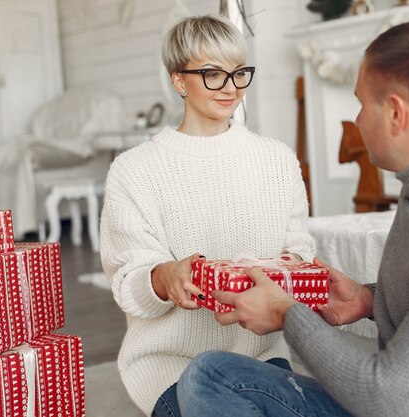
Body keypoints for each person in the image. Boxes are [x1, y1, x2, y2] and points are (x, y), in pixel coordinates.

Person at [176, 19, 409, 417]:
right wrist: (369, 299)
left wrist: (287, 314)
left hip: (404, 404)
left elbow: (390, 400)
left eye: (361, 104)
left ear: (395, 113)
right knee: (211, 374)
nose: (356, 121)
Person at [99, 14, 315, 417]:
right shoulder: (134, 170)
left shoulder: (277, 159)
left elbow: (298, 250)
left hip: (262, 356)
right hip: (170, 369)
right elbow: (128, 281)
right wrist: (165, 277)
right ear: (178, 80)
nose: (231, 88)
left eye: (238, 73)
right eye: (213, 74)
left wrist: (291, 270)